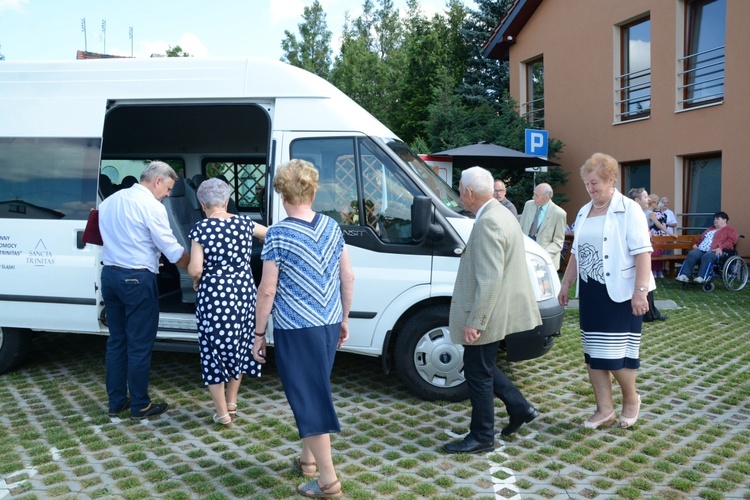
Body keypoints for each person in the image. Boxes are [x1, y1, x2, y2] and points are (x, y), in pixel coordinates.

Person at [252, 159, 354, 499]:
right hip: (327, 322)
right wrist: (344, 318)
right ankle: (308, 462)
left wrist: (257, 334)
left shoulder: (278, 233)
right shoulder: (330, 226)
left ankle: (328, 482)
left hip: (297, 327)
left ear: (283, 193)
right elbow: (347, 276)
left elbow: (267, 289)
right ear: (311, 190)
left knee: (308, 398)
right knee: (316, 389)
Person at [443, 166, 542, 455]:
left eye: (460, 190)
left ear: (469, 192)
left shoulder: (488, 221)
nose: (460, 196)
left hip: (490, 309)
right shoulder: (500, 213)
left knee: (478, 373)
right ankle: (520, 407)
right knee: (481, 366)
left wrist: (476, 321)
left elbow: (489, 278)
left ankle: (483, 436)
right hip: (500, 305)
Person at [558, 153, 654, 429]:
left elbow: (643, 253)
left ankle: (632, 399)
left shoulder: (629, 209)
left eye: (596, 183)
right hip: (591, 290)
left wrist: (641, 291)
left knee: (616, 356)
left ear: (612, 179)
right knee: (594, 355)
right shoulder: (584, 210)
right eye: (587, 184)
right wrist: (566, 284)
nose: (591, 189)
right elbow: (575, 252)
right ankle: (604, 410)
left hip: (621, 293)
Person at [99, 161, 190, 420]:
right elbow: (171, 249)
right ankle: (140, 404)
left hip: (110, 275)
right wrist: (195, 269)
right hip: (137, 280)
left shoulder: (110, 201)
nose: (169, 194)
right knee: (139, 344)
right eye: (169, 188)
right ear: (158, 181)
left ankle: (116, 402)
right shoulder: (151, 206)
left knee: (117, 341)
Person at [187, 178, 267, 427]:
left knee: (213, 351)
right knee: (241, 344)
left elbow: (195, 268)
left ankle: (222, 413)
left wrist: (195, 280)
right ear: (226, 200)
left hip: (214, 296)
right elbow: (270, 235)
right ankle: (232, 402)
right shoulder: (245, 223)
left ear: (202, 204)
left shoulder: (201, 228)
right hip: (244, 292)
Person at [628, 187, 670, 322]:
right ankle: (648, 313)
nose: (649, 199)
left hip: (642, 253)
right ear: (637, 200)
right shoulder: (631, 214)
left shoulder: (639, 213)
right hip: (634, 257)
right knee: (644, 284)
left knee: (647, 284)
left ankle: (650, 313)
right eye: (646, 197)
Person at [675, 211, 738, 284]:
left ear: (725, 220)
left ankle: (701, 277)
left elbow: (731, 241)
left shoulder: (730, 230)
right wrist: (696, 244)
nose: (715, 220)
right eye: (714, 219)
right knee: (692, 254)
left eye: (718, 219)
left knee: (707, 256)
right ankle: (685, 275)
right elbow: (701, 238)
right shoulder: (711, 228)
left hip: (717, 251)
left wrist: (721, 247)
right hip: (702, 250)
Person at [519, 182, 567, 270]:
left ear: (546, 198)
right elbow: (520, 228)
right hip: (525, 255)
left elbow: (558, 242)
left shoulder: (559, 214)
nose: (533, 197)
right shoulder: (528, 205)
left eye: (536, 195)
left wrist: (542, 256)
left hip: (545, 260)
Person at [648, 193, 670, 278]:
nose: (659, 205)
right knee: (654, 253)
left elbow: (664, 224)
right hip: (654, 235)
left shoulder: (664, 214)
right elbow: (655, 224)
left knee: (660, 254)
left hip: (662, 235)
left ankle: (659, 270)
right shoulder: (651, 213)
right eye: (658, 203)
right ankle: (654, 270)